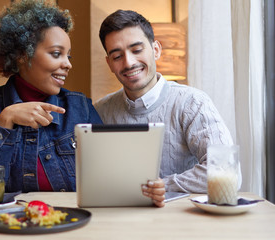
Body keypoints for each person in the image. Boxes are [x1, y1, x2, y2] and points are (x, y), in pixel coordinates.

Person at [95, 10, 237, 207]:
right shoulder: (100, 110)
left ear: (156, 50)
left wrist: (163, 185)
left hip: (181, 222)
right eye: (117, 56)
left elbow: (225, 169)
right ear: (109, 63)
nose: (129, 63)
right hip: (118, 219)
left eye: (136, 50)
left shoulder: (193, 102)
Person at [0, 0, 102, 193]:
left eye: (68, 56)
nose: (68, 64)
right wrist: (5, 120)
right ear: (22, 55)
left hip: (70, 219)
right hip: (9, 220)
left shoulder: (81, 107)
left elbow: (106, 176)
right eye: (56, 54)